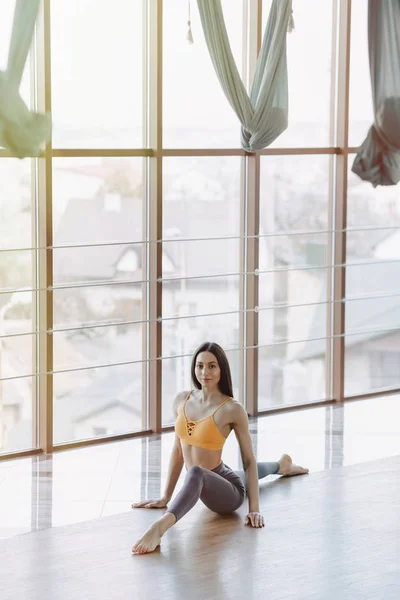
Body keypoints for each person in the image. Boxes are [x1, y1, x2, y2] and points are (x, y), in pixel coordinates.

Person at [132, 341, 308, 555]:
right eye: (200, 365)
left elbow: (249, 460)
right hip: (214, 477)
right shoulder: (182, 400)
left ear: (222, 369)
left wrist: (254, 510)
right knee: (220, 474)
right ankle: (282, 465)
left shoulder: (232, 409)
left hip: (227, 494)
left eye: (212, 366)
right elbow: (178, 450)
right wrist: (165, 497)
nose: (204, 371)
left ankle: (159, 528)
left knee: (202, 472)